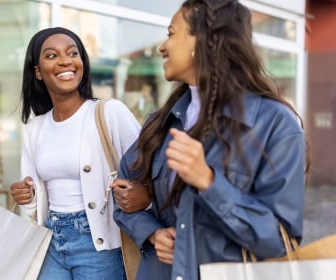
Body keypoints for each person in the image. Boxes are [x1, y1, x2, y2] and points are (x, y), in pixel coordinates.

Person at [111, 1, 309, 280]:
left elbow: (280, 239)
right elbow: (121, 193)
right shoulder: (161, 121)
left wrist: (208, 181)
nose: (161, 47)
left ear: (203, 40)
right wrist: (152, 233)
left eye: (171, 33)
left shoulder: (275, 124)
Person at [9, 27, 141, 280]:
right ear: (37, 71)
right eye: (51, 56)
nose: (65, 61)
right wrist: (25, 195)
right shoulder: (35, 127)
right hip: (51, 240)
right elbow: (34, 206)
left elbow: (146, 171)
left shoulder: (109, 112)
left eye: (73, 53)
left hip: (99, 244)